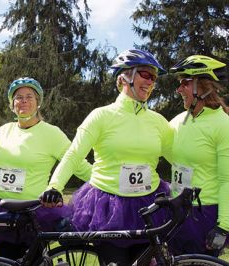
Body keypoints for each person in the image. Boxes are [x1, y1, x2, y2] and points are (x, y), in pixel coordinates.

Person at [41, 49, 173, 265]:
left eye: (154, 77)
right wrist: (54, 186)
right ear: (124, 77)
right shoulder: (101, 115)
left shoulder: (158, 121)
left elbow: (179, 159)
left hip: (149, 204)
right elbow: (74, 153)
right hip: (109, 207)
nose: (150, 81)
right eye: (145, 74)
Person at [0, 77, 92, 260]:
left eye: (29, 96)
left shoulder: (52, 133)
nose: (23, 101)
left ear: (38, 103)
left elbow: (77, 163)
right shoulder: (1, 131)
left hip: (35, 212)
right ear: (11, 105)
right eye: (18, 97)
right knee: (6, 263)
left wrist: (105, 179)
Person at [168, 55, 229, 256]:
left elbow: (226, 179)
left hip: (205, 213)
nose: (179, 89)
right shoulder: (178, 121)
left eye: (184, 83)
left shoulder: (223, 124)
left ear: (202, 86)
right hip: (177, 208)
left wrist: (224, 226)